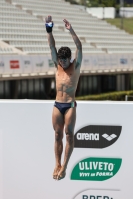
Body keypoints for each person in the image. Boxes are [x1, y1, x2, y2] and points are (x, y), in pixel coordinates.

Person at [45, 15, 82, 180]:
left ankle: (65, 167)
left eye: (65, 60)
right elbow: (51, 46)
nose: (63, 62)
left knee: (69, 134)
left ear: (70, 59)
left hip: (70, 105)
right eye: (61, 60)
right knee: (57, 135)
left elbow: (79, 47)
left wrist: (71, 30)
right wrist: (49, 29)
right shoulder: (57, 65)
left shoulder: (76, 66)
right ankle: (57, 164)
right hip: (57, 105)